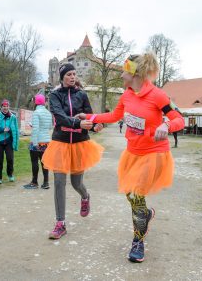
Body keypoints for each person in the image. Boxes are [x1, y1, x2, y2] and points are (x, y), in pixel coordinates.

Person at [77, 53, 184, 263]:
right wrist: (90, 117)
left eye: (124, 70)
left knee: (136, 196)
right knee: (131, 195)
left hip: (153, 154)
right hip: (132, 153)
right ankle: (146, 214)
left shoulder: (158, 96)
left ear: (134, 73)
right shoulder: (127, 95)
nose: (121, 74)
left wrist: (166, 125)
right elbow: (114, 116)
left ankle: (138, 241)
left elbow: (179, 119)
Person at [41, 63, 104, 240]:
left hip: (79, 144)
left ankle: (85, 196)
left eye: (74, 74)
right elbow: (59, 116)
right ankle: (60, 223)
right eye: (69, 74)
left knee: (76, 183)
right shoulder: (54, 95)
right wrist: (77, 123)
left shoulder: (81, 95)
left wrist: (95, 126)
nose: (72, 76)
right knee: (59, 182)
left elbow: (89, 116)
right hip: (60, 142)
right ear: (62, 77)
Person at [23, 94, 53, 189]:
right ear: (44, 102)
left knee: (34, 162)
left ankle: (34, 182)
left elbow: (35, 129)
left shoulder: (36, 112)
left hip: (37, 140)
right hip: (46, 141)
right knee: (45, 162)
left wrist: (35, 143)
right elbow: (49, 127)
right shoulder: (48, 113)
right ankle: (46, 183)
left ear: (36, 102)